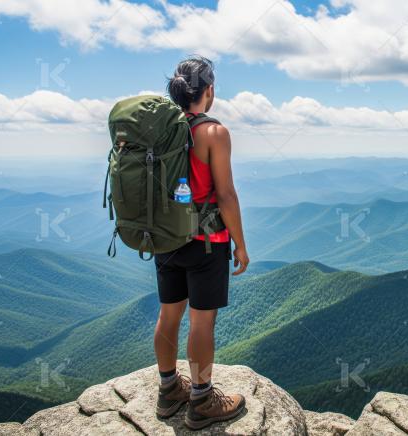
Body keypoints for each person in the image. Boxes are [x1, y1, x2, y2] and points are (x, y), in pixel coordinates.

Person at [153, 56, 250, 430]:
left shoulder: (162, 131)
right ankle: (202, 398)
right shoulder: (214, 133)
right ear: (208, 91)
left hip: (165, 238)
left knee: (168, 315)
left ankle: (167, 390)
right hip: (206, 242)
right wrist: (240, 245)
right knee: (201, 322)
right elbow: (225, 194)